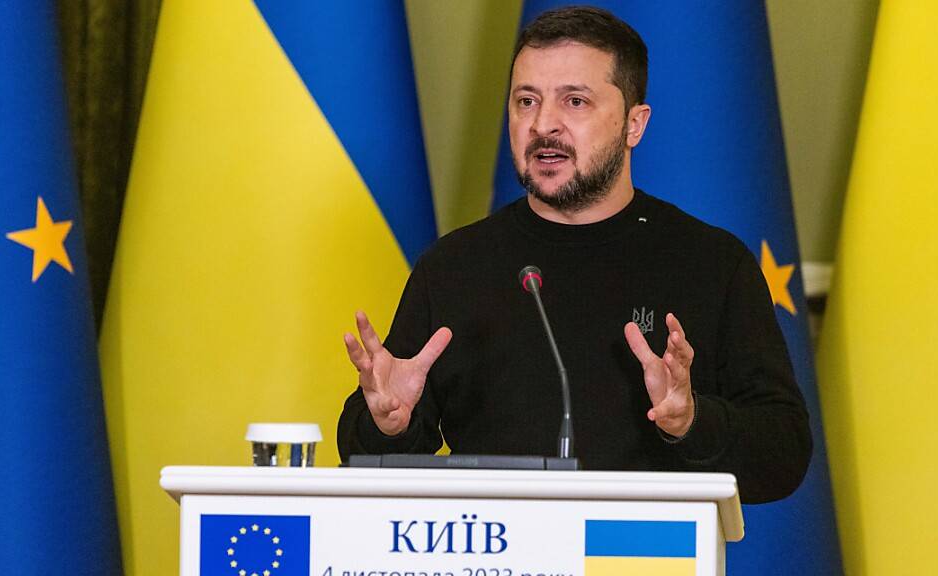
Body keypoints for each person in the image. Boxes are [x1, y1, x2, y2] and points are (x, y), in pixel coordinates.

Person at [337, 6, 811, 504]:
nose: (544, 124)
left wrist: (692, 421)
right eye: (526, 101)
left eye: (575, 101)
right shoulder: (453, 267)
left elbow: (785, 453)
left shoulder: (711, 264)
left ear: (634, 124)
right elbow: (363, 450)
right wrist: (388, 425)